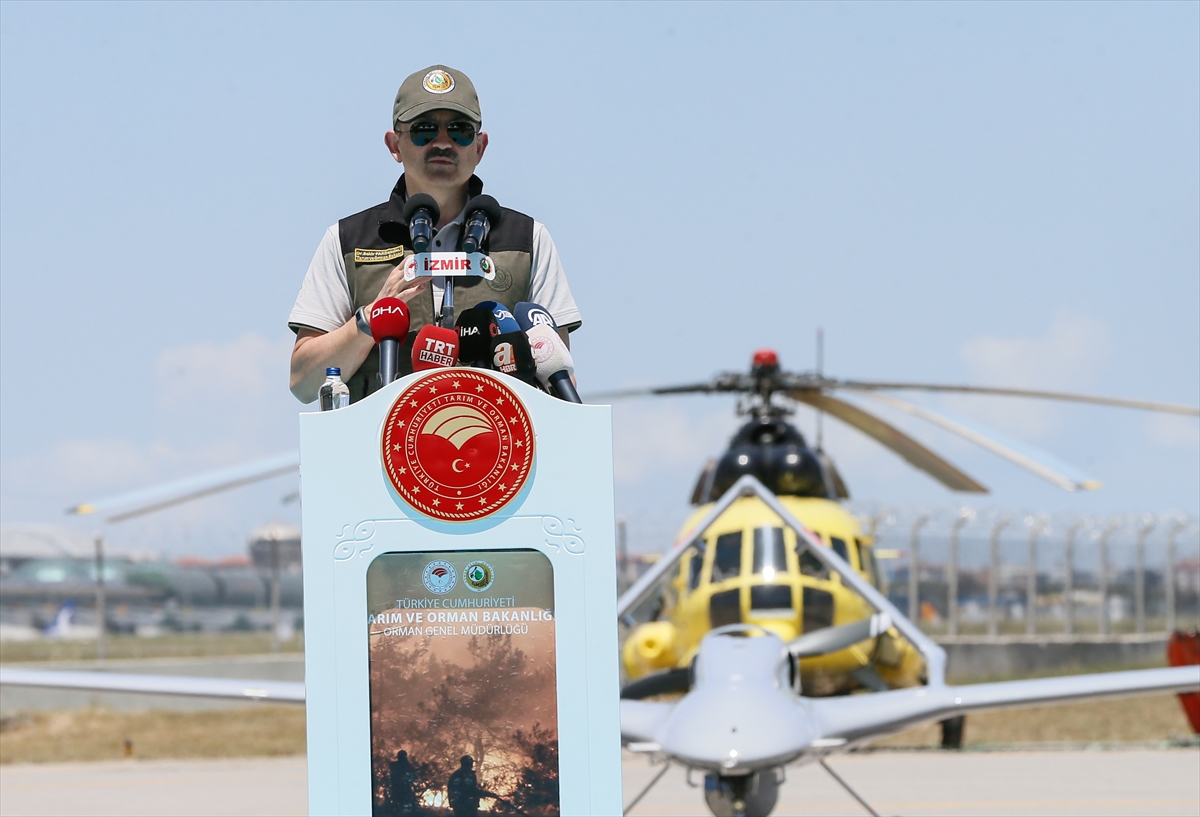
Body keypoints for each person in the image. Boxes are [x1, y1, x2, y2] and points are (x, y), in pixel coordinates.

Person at [288, 65, 582, 404]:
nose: (443, 142)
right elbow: (304, 383)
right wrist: (371, 319)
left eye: (460, 130)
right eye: (424, 130)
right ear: (394, 144)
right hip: (377, 453)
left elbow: (561, 384)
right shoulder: (346, 240)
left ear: (480, 147)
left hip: (502, 450)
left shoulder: (528, 240)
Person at [386, 749, 418, 815]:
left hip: (401, 787)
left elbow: (413, 775)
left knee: (403, 803)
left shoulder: (397, 765)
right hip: (399, 787)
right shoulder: (398, 765)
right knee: (400, 803)